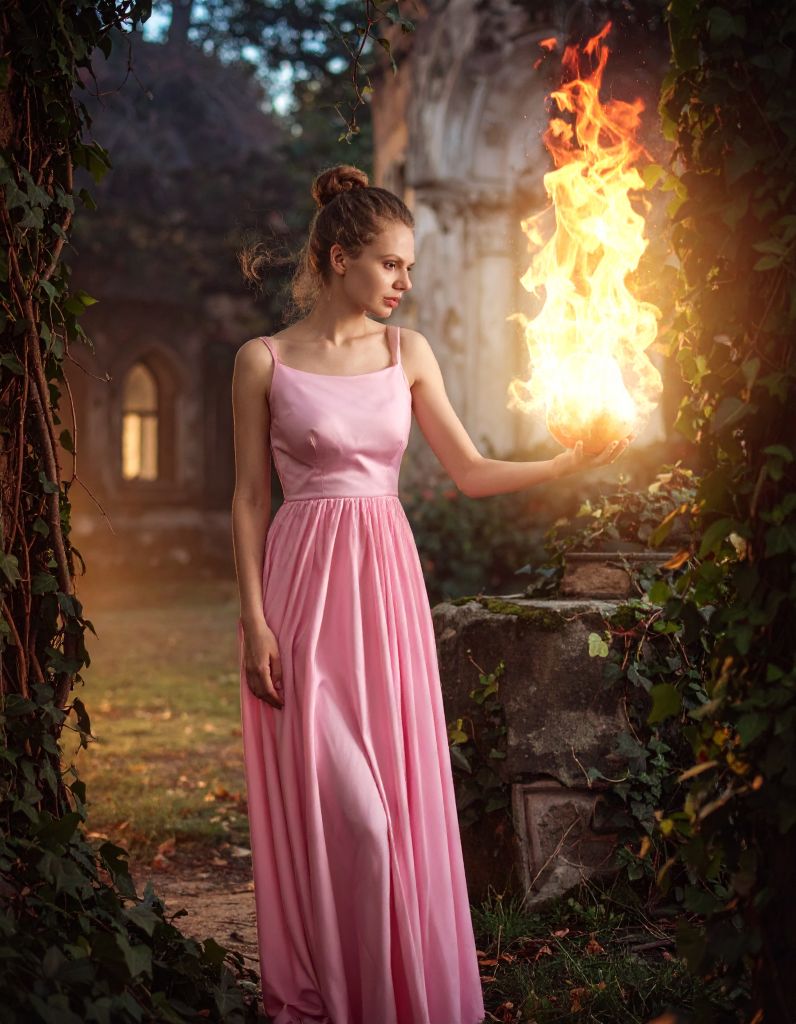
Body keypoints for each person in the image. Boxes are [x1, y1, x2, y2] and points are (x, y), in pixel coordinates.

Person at [231, 164, 629, 1024]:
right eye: (392, 265)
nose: (407, 283)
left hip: (385, 587)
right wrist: (254, 619)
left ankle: (393, 998)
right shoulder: (260, 362)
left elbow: (472, 471)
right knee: (352, 818)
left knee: (388, 819)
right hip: (302, 591)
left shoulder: (406, 353)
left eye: (410, 267)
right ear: (340, 259)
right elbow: (247, 499)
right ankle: (334, 993)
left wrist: (565, 464)